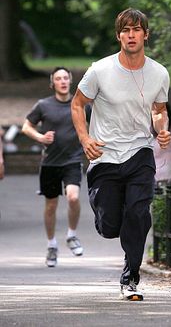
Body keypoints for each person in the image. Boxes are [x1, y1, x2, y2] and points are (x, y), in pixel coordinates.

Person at [71, 8, 171, 301]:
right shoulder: (100, 70)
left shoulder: (159, 73)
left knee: (138, 213)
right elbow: (77, 105)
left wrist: (162, 129)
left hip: (139, 152)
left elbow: (159, 110)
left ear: (145, 35)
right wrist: (85, 138)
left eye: (136, 30)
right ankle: (112, 222)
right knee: (110, 226)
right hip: (104, 156)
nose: (131, 35)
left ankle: (131, 279)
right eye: (126, 30)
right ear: (119, 36)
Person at [22, 67, 84, 267]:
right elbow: (26, 126)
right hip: (50, 162)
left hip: (72, 160)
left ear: (70, 81)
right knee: (51, 206)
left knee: (73, 197)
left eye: (66, 78)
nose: (63, 81)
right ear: (53, 83)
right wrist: (41, 137)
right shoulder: (43, 105)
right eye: (59, 79)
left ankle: (72, 235)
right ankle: (51, 245)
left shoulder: (79, 104)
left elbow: (97, 123)